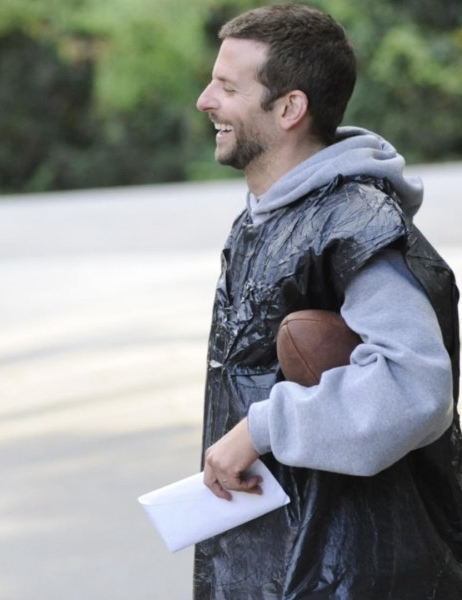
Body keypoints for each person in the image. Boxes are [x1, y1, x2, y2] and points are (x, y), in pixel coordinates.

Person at [193, 4, 462, 598]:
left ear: (289, 108)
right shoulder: (263, 219)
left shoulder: (354, 221)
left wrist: (263, 428)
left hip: (352, 575)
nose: (204, 100)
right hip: (278, 563)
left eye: (227, 86)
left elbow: (415, 387)